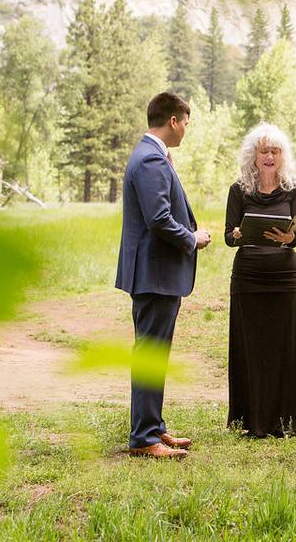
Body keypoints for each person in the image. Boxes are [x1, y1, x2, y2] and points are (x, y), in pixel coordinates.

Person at [115, 92, 212, 459]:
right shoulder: (151, 160)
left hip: (155, 273)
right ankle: (143, 438)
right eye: (186, 121)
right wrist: (192, 238)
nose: (187, 128)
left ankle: (153, 427)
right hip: (154, 273)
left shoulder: (151, 156)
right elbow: (158, 219)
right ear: (173, 120)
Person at [224, 123, 296, 438]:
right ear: (254, 155)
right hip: (249, 277)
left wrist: (291, 235)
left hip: (285, 277)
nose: (270, 156)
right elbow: (228, 236)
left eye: (275, 151)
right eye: (264, 151)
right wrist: (236, 234)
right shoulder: (239, 189)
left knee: (286, 347)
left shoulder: (293, 187)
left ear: (282, 155)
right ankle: (252, 421)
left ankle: (289, 421)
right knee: (252, 348)